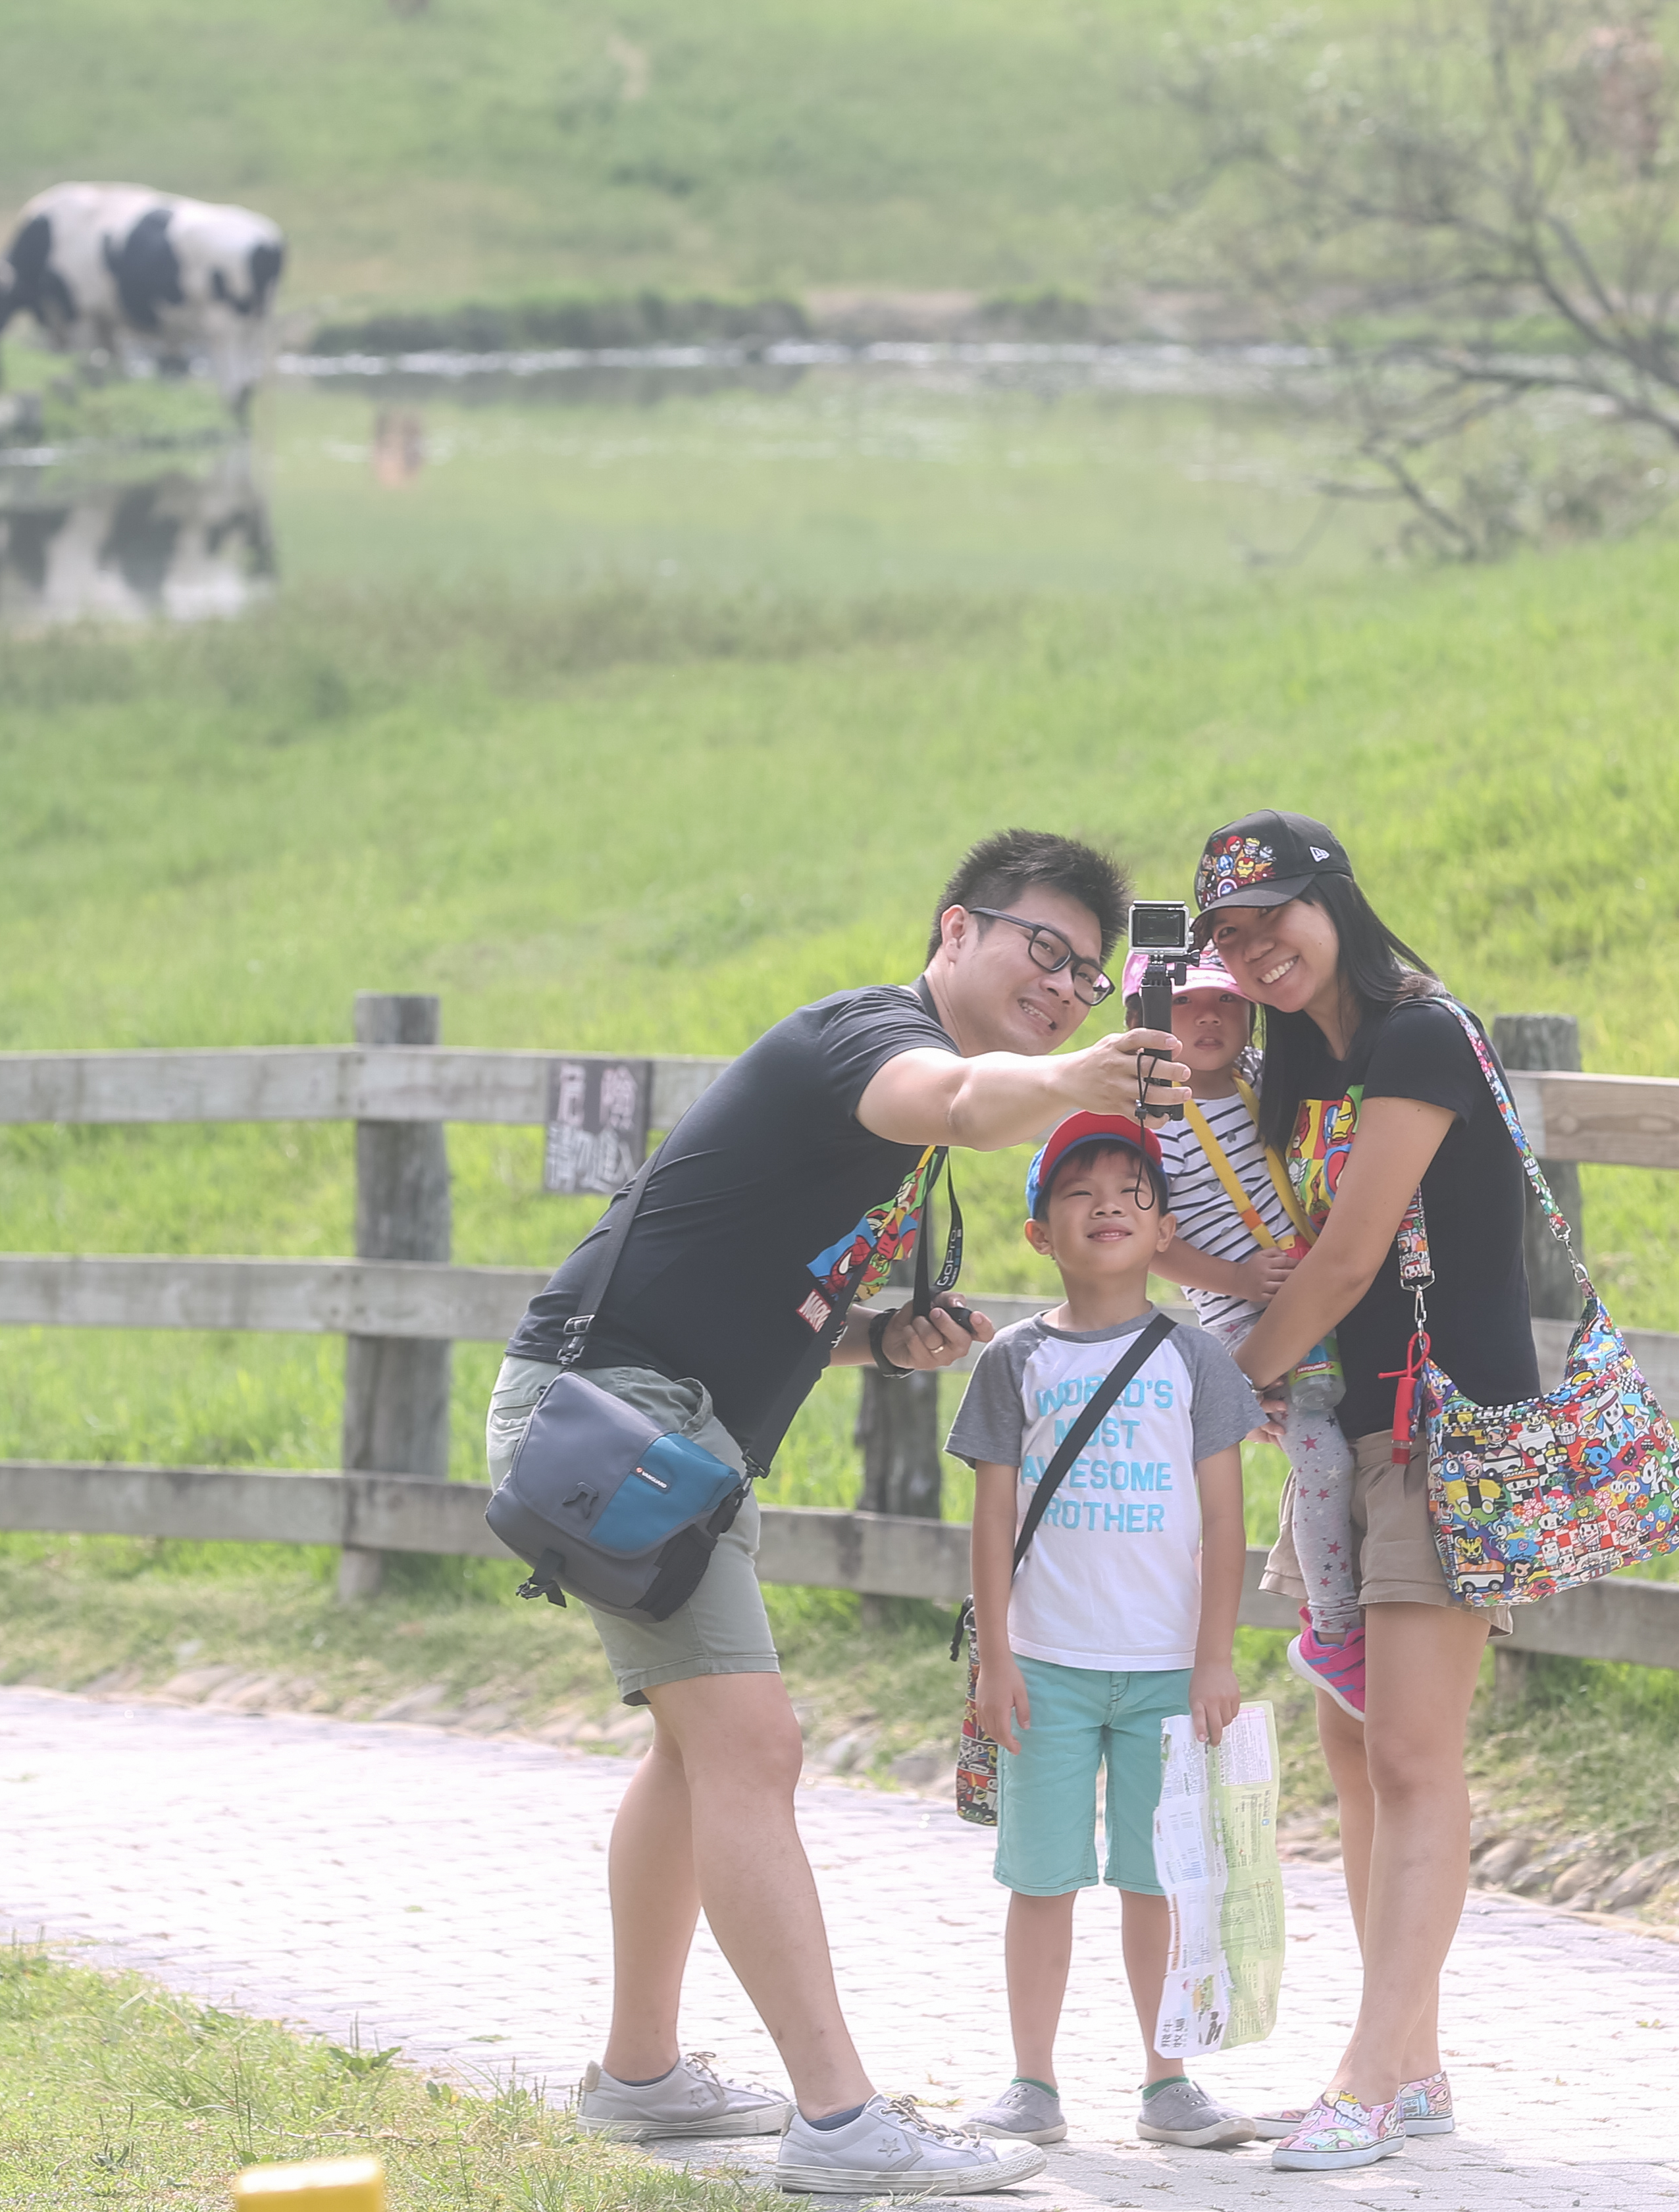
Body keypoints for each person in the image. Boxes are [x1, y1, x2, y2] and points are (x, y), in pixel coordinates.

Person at [495, 829, 1178, 2198]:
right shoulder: (863, 1041)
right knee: (754, 1750)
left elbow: (769, 1286)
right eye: (1043, 950)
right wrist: (1070, 1082)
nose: (1063, 985)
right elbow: (968, 1098)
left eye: (1088, 979)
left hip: (672, 1433)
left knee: (696, 1761)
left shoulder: (900, 1116)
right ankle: (840, 2118)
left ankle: (640, 2080)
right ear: (954, 931)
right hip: (624, 1420)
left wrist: (876, 1341)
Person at [1194, 809, 1538, 2174]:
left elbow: (1341, 1267)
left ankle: (1366, 2076)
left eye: (1273, 914)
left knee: (1410, 1754)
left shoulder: (1414, 1034)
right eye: (1228, 930)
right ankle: (1416, 2066)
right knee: (1354, 1755)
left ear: (1335, 898)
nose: (1255, 946)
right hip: (1342, 1433)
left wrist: (1224, 1388)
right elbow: (1279, 1255)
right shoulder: (1304, 1061)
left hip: (1445, 1430)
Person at [947, 1113, 1270, 2153]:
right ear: (1041, 1231)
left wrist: (1215, 1655)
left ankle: (1167, 2081)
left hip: (1169, 1670)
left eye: (1132, 1190)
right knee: (1041, 1879)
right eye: (1080, 1191)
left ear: (1164, 1227)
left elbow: (1227, 1521)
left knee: (1157, 1878)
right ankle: (1031, 2082)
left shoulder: (1196, 1359)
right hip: (1044, 1667)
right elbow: (992, 1519)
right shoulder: (1014, 1360)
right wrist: (995, 1660)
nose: (1109, 1205)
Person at [1141, 950, 1365, 1717]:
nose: (1210, 1019)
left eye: (1228, 1003)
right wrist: (1238, 1281)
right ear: (1145, 1017)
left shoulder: (1266, 1074)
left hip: (1319, 1282)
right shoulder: (1149, 1118)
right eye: (1186, 1005)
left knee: (1349, 1443)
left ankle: (1345, 1600)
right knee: (1323, 1459)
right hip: (1248, 1310)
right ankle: (1332, 1631)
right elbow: (1150, 1241)